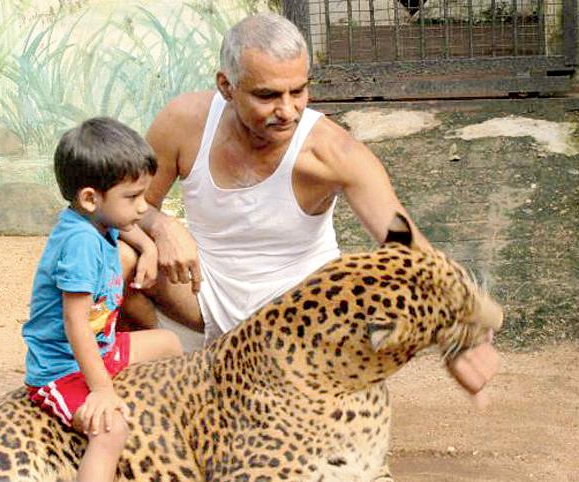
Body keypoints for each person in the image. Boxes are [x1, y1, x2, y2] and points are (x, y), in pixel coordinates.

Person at [128, 13, 499, 399]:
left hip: (296, 320)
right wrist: (163, 226)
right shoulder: (183, 121)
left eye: (299, 91)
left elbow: (406, 247)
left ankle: (296, 390)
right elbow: (125, 204)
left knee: (376, 288)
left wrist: (460, 331)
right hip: (199, 298)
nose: (287, 110)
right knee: (112, 252)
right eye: (267, 95)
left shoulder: (333, 152)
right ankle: (121, 386)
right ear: (227, 86)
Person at [22, 117, 183, 482]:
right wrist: (102, 390)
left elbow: (126, 225)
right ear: (90, 197)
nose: (143, 207)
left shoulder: (98, 219)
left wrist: (148, 249)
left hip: (104, 347)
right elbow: (75, 322)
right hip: (62, 369)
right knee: (111, 431)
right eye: (133, 197)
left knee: (170, 343)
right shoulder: (80, 243)